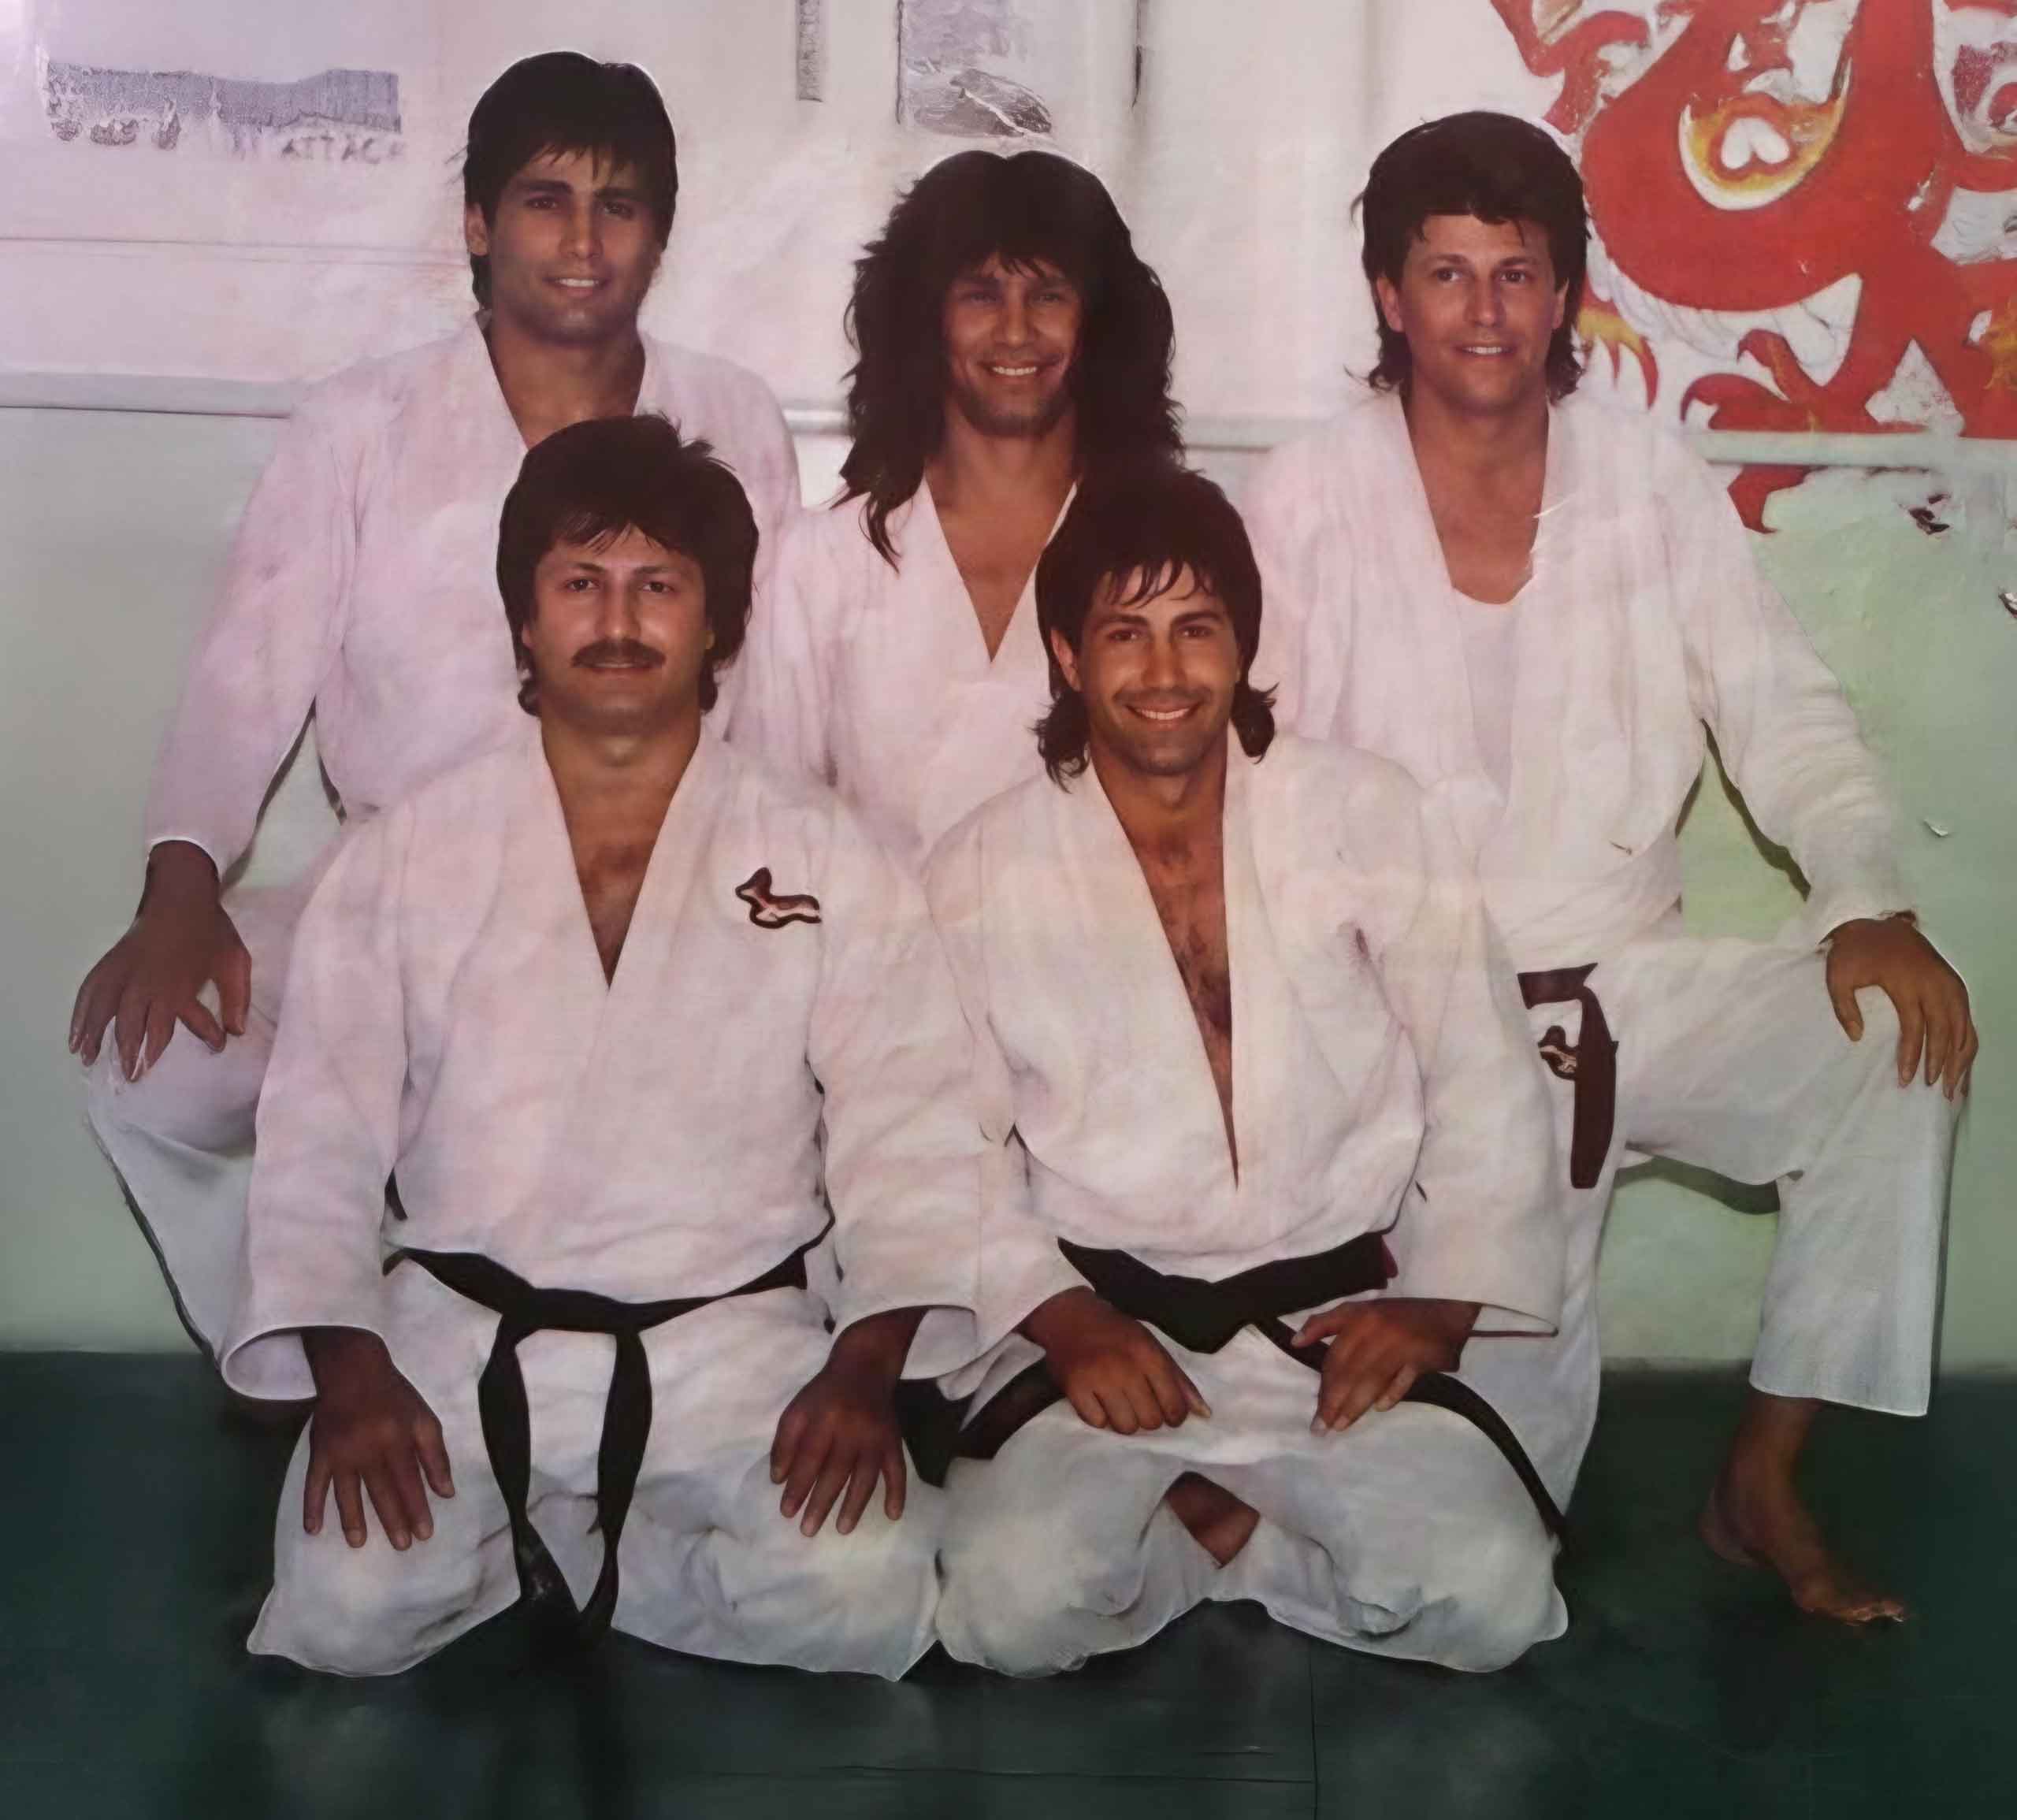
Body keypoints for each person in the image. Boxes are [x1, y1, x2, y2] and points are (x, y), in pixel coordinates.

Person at [1246, 110, 1976, 1624]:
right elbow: (1262, 794)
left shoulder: (1644, 476)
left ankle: (1763, 1474)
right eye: (1447, 275)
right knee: (1482, 1532)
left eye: (1519, 274)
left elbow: (1780, 707)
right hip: (1422, 1045)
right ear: (1390, 294)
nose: (1487, 314)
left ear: (1567, 291)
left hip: (1627, 988)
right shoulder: (1309, 499)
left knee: (1897, 1046)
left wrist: (1869, 903)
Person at [221, 416, 980, 1677]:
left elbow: (910, 1120)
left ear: (717, 623)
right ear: (525, 618)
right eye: (580, 583)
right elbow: (319, 1135)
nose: (617, 621)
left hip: (725, 1342)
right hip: (461, 1340)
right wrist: (349, 1369)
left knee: (860, 1593)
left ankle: (553, 1557)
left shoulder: (827, 852)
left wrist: (865, 1364)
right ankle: (588, 1547)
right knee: (349, 1612)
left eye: (659, 586)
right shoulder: (412, 849)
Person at [69, 51, 799, 1360]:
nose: (581, 240)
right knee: (150, 1064)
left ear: (662, 232)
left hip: (660, 877)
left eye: (619, 204)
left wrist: (785, 890)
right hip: (398, 887)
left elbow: (777, 680)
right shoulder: (363, 423)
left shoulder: (728, 417)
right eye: (544, 199)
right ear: (477, 222)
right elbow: (249, 671)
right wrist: (179, 887)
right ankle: (299, 1353)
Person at [923, 467, 1567, 1677]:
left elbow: (1484, 1073)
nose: (1164, 673)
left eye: (1196, 629)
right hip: (1111, 1343)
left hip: (1324, 1336)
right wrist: (1066, 1322)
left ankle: (1234, 1538)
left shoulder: (1369, 813)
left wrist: (1431, 1306)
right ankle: (1238, 1538)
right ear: (1067, 654)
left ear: (1243, 643)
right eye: (1125, 633)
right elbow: (943, 1149)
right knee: (1010, 1610)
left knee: (1491, 1598)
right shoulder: (978, 870)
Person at [732, 148, 1183, 867]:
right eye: (980, 294)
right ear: (924, 322)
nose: (1014, 332)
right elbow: (769, 831)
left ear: (1099, 323)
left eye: (1048, 295)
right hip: (877, 971)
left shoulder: (1170, 557)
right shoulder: (820, 564)